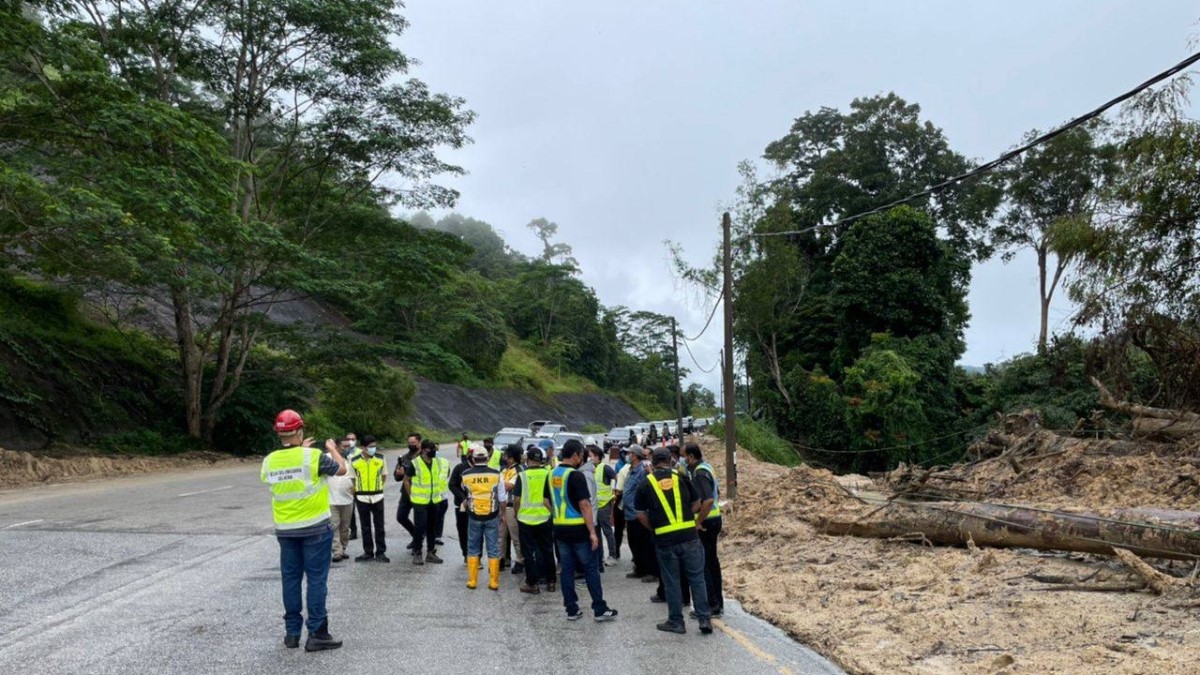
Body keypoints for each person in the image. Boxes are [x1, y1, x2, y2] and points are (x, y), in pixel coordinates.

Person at [260, 409, 346, 652]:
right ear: (300, 430)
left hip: (286, 530)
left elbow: (279, 476)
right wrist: (333, 450)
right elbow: (341, 470)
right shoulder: (313, 456)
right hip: (315, 528)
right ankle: (318, 633)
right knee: (316, 580)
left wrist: (302, 451)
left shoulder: (269, 460)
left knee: (290, 580)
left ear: (279, 433)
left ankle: (292, 633)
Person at [636, 447, 712, 635]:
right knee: (697, 578)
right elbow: (696, 504)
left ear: (653, 462)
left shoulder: (646, 483)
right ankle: (704, 620)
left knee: (672, 581)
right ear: (671, 460)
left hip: (665, 540)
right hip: (689, 536)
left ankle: (676, 621)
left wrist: (655, 527)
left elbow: (639, 514)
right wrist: (686, 518)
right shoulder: (682, 477)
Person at [549, 439, 618, 622]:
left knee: (567, 569)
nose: (582, 459)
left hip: (560, 529)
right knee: (591, 569)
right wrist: (593, 532)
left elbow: (546, 501)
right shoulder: (575, 476)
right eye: (581, 455)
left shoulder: (552, 474)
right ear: (575, 455)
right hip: (579, 529)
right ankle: (599, 609)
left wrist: (558, 515)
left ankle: (571, 609)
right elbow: (585, 505)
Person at [685, 442, 724, 617]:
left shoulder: (699, 473)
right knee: (712, 562)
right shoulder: (707, 467)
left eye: (684, 456)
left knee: (705, 565)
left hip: (706, 522)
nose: (682, 460)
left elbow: (707, 501)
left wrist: (697, 522)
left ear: (691, 457)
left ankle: (712, 605)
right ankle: (718, 603)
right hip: (714, 520)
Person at [462, 444, 506, 590]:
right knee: (493, 548)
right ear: (487, 458)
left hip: (474, 516)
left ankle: (472, 581)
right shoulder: (496, 474)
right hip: (492, 515)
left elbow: (465, 491)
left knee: (473, 548)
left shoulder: (466, 475)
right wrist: (503, 514)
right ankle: (493, 582)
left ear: (473, 459)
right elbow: (501, 497)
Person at [513, 445, 554, 594]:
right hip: (545, 517)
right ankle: (551, 582)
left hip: (525, 520)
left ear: (528, 460)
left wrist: (516, 513)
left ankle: (532, 583)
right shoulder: (549, 473)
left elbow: (516, 499)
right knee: (547, 550)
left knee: (528, 552)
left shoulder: (522, 476)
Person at [405, 439, 447, 565]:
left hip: (434, 500)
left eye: (435, 449)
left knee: (432, 528)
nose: (433, 452)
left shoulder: (437, 462)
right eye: (431, 449)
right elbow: (407, 480)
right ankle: (417, 553)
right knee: (420, 528)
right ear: (423, 450)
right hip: (420, 501)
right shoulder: (415, 463)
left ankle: (430, 552)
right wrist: (411, 495)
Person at [621, 445, 657, 582]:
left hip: (639, 514)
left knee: (645, 544)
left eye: (629, 453)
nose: (627, 455)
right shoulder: (631, 470)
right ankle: (640, 568)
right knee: (634, 543)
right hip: (630, 513)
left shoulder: (642, 471)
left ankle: (650, 571)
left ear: (635, 455)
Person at [351, 435, 388, 562]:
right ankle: (368, 552)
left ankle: (381, 552)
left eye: (374, 446)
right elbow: (353, 478)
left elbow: (383, 476)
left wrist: (376, 488)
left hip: (377, 496)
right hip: (362, 497)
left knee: (379, 526)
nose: (373, 449)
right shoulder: (355, 460)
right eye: (370, 447)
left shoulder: (381, 458)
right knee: (365, 527)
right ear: (363, 447)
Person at [589, 444, 618, 566]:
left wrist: (615, 492)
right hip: (593, 506)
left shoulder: (604, 468)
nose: (589, 458)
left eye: (590, 456)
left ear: (597, 457)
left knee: (607, 531)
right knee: (596, 532)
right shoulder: (590, 469)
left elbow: (617, 478)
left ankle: (612, 555)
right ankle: (599, 556)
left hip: (604, 505)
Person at [327, 437, 356, 562]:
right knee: (334, 526)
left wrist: (356, 487)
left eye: (348, 446)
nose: (347, 449)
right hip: (331, 499)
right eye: (344, 446)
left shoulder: (352, 458)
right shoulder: (327, 457)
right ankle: (337, 551)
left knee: (345, 527)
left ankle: (343, 549)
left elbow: (357, 475)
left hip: (347, 499)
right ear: (337, 446)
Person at [499, 445, 525, 574]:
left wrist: (496, 483)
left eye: (506, 455)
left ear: (512, 457)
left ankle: (520, 561)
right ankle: (501, 560)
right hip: (502, 506)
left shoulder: (519, 470)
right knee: (501, 536)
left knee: (516, 537)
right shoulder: (505, 469)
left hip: (512, 507)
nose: (504, 458)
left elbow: (508, 486)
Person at [392, 434, 420, 546]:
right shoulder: (404, 457)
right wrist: (399, 474)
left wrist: (407, 471)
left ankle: (418, 543)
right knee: (401, 517)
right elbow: (397, 477)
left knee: (420, 520)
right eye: (409, 443)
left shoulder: (423, 456)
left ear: (419, 442)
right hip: (406, 492)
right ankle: (416, 535)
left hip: (420, 492)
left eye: (413, 443)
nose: (411, 445)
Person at [448, 447, 472, 563]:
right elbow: (452, 485)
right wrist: (462, 498)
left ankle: (477, 555)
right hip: (462, 505)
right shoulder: (459, 468)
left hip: (479, 505)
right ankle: (466, 553)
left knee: (477, 530)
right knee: (463, 529)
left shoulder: (483, 469)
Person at [345, 432, 359, 540]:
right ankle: (353, 531)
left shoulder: (360, 452)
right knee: (351, 510)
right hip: (348, 483)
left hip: (360, 483)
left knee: (363, 508)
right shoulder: (343, 452)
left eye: (353, 439)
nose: (351, 441)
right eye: (348, 439)